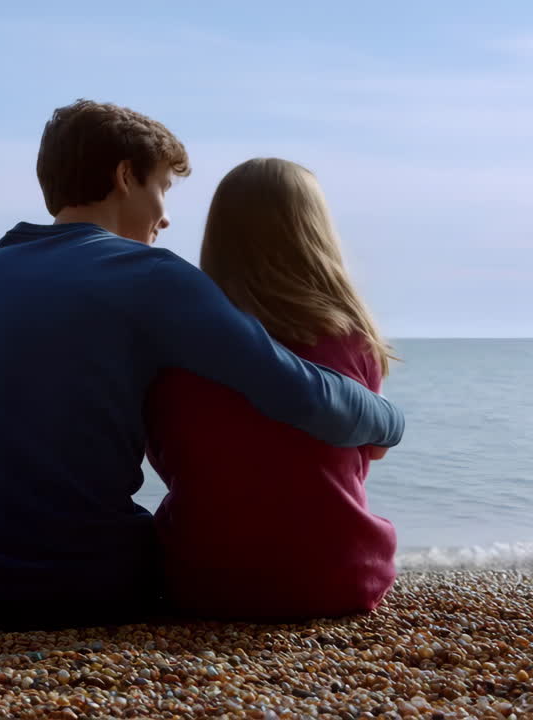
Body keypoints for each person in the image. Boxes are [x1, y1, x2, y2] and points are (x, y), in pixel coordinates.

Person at [0, 101, 405, 630]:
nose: (166, 216)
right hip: (84, 589)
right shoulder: (152, 275)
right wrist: (389, 419)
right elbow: (302, 394)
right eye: (163, 189)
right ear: (125, 177)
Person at [146, 157, 402, 620]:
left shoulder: (179, 340)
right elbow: (371, 451)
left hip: (200, 580)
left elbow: (161, 453)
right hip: (341, 575)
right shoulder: (352, 338)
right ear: (316, 232)